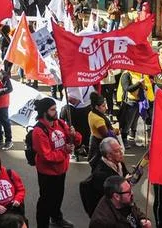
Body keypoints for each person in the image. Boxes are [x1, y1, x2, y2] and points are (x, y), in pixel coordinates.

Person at [31, 97, 81, 228]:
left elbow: (76, 141)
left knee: (58, 197)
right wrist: (65, 151)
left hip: (61, 170)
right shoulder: (38, 131)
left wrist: (74, 135)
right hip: (47, 173)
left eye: (55, 109)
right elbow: (47, 156)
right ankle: (42, 224)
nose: (56, 111)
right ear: (44, 112)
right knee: (45, 201)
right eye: (52, 110)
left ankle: (56, 218)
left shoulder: (60, 123)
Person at [87, 138, 128, 215]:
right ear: (109, 156)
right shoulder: (101, 175)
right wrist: (124, 182)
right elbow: (111, 199)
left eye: (121, 149)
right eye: (117, 151)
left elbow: (126, 176)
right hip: (110, 212)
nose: (121, 153)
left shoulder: (119, 163)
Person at [116, 70, 153, 148]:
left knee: (136, 121)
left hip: (140, 102)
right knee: (127, 122)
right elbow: (127, 88)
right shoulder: (126, 74)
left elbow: (147, 87)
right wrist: (138, 84)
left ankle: (134, 137)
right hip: (130, 102)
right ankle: (124, 139)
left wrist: (144, 87)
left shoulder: (142, 73)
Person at [87, 93, 116, 169]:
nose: (106, 108)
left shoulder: (91, 113)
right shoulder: (98, 120)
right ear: (97, 107)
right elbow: (106, 135)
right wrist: (115, 132)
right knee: (100, 168)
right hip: (99, 146)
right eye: (103, 106)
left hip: (94, 140)